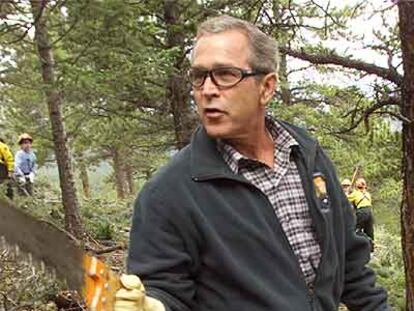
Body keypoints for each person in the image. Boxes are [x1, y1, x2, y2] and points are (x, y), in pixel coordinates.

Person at [114, 15, 390, 311]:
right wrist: (153, 305)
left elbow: (351, 265)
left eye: (225, 74)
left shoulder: (307, 154)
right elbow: (163, 290)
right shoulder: (168, 194)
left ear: (267, 87)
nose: (207, 90)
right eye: (199, 76)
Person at [347, 178, 374, 249]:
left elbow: (345, 199)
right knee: (369, 230)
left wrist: (347, 193)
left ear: (356, 186)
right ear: (365, 186)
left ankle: (356, 246)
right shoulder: (368, 194)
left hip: (362, 212)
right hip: (370, 212)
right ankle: (371, 248)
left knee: (355, 229)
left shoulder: (355, 194)